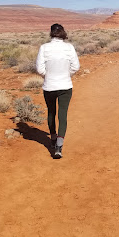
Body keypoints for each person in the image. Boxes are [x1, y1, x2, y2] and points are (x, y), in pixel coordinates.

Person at [36, 23, 80, 159]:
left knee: (51, 112)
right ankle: (59, 147)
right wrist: (66, 75)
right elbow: (75, 67)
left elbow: (40, 69)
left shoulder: (44, 48)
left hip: (49, 86)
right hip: (65, 86)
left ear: (51, 33)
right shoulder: (69, 47)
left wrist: (48, 76)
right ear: (63, 33)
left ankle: (53, 138)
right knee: (62, 114)